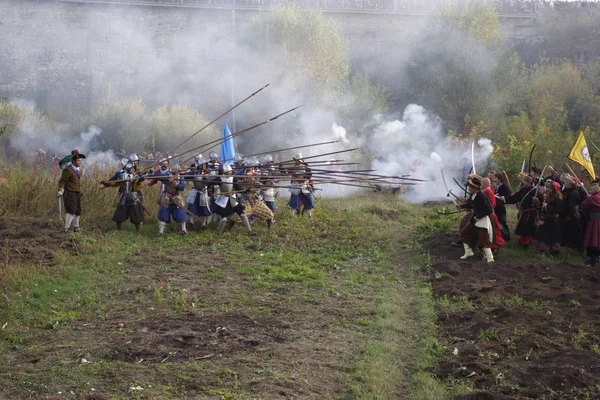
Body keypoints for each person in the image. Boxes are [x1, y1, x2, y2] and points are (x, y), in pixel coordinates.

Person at [458, 177, 495, 263]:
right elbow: (471, 205)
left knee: (484, 241)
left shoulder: (482, 196)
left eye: (471, 187)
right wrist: (461, 206)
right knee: (464, 232)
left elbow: (489, 209)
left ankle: (490, 259)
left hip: (483, 221)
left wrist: (478, 216)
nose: (469, 189)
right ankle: (469, 252)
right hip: (475, 220)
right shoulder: (473, 196)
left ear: (476, 188)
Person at [102, 161, 145, 234]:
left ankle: (138, 232)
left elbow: (136, 188)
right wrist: (107, 184)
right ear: (127, 168)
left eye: (133, 168)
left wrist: (139, 181)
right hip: (123, 196)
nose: (133, 169)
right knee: (119, 215)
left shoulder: (135, 176)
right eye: (131, 168)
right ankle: (118, 230)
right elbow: (116, 183)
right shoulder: (121, 176)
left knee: (136, 216)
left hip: (133, 196)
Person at [213, 163, 255, 236]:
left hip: (233, 199)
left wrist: (245, 190)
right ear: (224, 172)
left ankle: (250, 231)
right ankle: (218, 234)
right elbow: (210, 183)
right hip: (224, 200)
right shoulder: (219, 178)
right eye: (228, 172)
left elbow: (238, 188)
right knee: (224, 219)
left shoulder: (233, 178)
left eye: (230, 171)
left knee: (242, 214)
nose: (230, 173)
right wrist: (210, 189)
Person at [149, 163, 189, 236]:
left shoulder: (181, 177)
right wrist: (147, 176)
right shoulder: (166, 175)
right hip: (166, 197)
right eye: (173, 172)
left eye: (176, 172)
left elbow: (182, 187)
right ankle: (161, 232)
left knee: (180, 214)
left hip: (176, 197)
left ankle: (184, 230)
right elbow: (157, 176)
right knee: (163, 214)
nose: (174, 173)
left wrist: (174, 183)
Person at [504, 175, 540, 249]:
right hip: (523, 211)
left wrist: (536, 202)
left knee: (528, 227)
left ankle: (526, 243)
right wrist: (505, 199)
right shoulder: (523, 189)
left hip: (530, 212)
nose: (524, 183)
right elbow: (516, 197)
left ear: (530, 182)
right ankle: (524, 241)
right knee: (523, 227)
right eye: (524, 181)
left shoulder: (534, 190)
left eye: (526, 182)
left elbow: (540, 201)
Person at [58, 150, 86, 232]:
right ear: (73, 161)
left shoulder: (78, 170)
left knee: (78, 210)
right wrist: (61, 190)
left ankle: (76, 227)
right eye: (78, 160)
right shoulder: (68, 170)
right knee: (71, 210)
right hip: (69, 192)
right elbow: (62, 181)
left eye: (80, 160)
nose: (80, 162)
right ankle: (66, 228)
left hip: (77, 193)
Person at [535, 181, 563, 255]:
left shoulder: (557, 198)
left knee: (552, 235)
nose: (548, 189)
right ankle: (542, 250)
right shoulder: (548, 196)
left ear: (554, 189)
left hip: (552, 219)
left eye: (550, 188)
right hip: (546, 218)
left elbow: (558, 209)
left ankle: (554, 251)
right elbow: (543, 206)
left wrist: (547, 206)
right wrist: (539, 204)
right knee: (542, 234)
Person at [186, 156, 212, 230]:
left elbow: (207, 182)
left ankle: (203, 225)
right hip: (195, 191)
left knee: (203, 209)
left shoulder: (207, 173)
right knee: (191, 208)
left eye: (205, 164)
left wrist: (205, 177)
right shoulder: (195, 172)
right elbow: (187, 176)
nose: (204, 166)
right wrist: (179, 175)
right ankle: (191, 223)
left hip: (203, 192)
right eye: (202, 165)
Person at [481, 178, 505, 253]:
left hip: (489, 215)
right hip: (487, 214)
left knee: (492, 233)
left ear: (484, 184)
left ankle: (494, 248)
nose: (480, 185)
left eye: (481, 184)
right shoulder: (486, 191)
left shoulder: (488, 191)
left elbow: (490, 205)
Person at [580, 183, 600, 266]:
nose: (589, 191)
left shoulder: (592, 198)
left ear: (595, 190)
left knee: (593, 238)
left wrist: (588, 198)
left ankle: (594, 259)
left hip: (595, 221)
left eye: (591, 190)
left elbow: (583, 205)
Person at [494, 171, 512, 241]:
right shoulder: (497, 187)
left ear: (499, 179)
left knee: (503, 223)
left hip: (501, 209)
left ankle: (507, 238)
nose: (494, 179)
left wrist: (501, 197)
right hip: (496, 208)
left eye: (496, 178)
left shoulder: (504, 187)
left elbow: (507, 197)